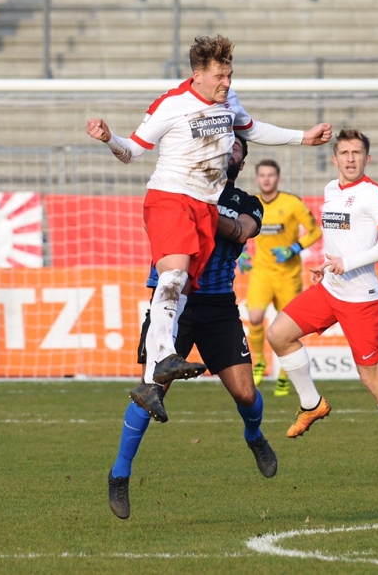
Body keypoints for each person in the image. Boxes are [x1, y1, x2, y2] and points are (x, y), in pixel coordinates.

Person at [85, 34, 331, 423]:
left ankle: (151, 383)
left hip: (204, 206)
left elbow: (253, 129)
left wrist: (303, 138)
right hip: (169, 198)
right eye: (219, 76)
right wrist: (108, 138)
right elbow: (131, 152)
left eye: (229, 75)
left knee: (182, 285)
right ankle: (163, 357)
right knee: (174, 275)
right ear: (197, 75)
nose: (226, 83)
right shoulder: (172, 104)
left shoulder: (228, 101)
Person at [108, 136, 276, 520]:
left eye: (237, 148)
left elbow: (241, 231)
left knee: (246, 393)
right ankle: (119, 474)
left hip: (218, 307)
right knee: (150, 392)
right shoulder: (177, 187)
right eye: (225, 144)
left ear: (241, 162)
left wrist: (202, 211)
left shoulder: (247, 202)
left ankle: (254, 436)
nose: (229, 150)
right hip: (173, 306)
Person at [265, 129, 378, 492]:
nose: (351, 159)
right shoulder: (330, 190)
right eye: (345, 153)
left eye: (357, 153)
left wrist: (347, 263)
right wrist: (327, 265)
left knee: (372, 379)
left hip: (361, 298)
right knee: (279, 334)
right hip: (330, 288)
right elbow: (340, 239)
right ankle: (312, 403)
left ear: (367, 159)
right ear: (334, 158)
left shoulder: (373, 194)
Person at [241, 159, 321, 396]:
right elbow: (239, 229)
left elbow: (315, 231)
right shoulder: (251, 203)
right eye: (262, 175)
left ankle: (285, 374)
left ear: (278, 178)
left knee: (287, 328)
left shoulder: (292, 203)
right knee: (255, 317)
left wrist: (294, 249)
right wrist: (241, 252)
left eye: (271, 175)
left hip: (289, 275)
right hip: (262, 272)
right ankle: (259, 361)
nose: (266, 179)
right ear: (257, 179)